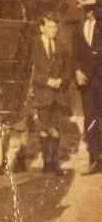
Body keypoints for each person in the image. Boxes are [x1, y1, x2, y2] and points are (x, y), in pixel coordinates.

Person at [31, 13, 72, 175]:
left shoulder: (61, 46)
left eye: (56, 27)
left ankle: (54, 163)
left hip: (58, 94)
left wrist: (62, 80)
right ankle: (46, 162)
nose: (54, 30)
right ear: (42, 28)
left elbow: (68, 68)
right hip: (42, 93)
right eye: (50, 27)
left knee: (56, 128)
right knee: (44, 128)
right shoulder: (33, 46)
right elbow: (29, 71)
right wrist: (46, 81)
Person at [74, 0, 102, 174]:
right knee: (90, 118)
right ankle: (94, 158)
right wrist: (77, 71)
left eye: (89, 7)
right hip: (87, 81)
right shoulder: (79, 28)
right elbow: (74, 52)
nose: (87, 11)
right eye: (85, 8)